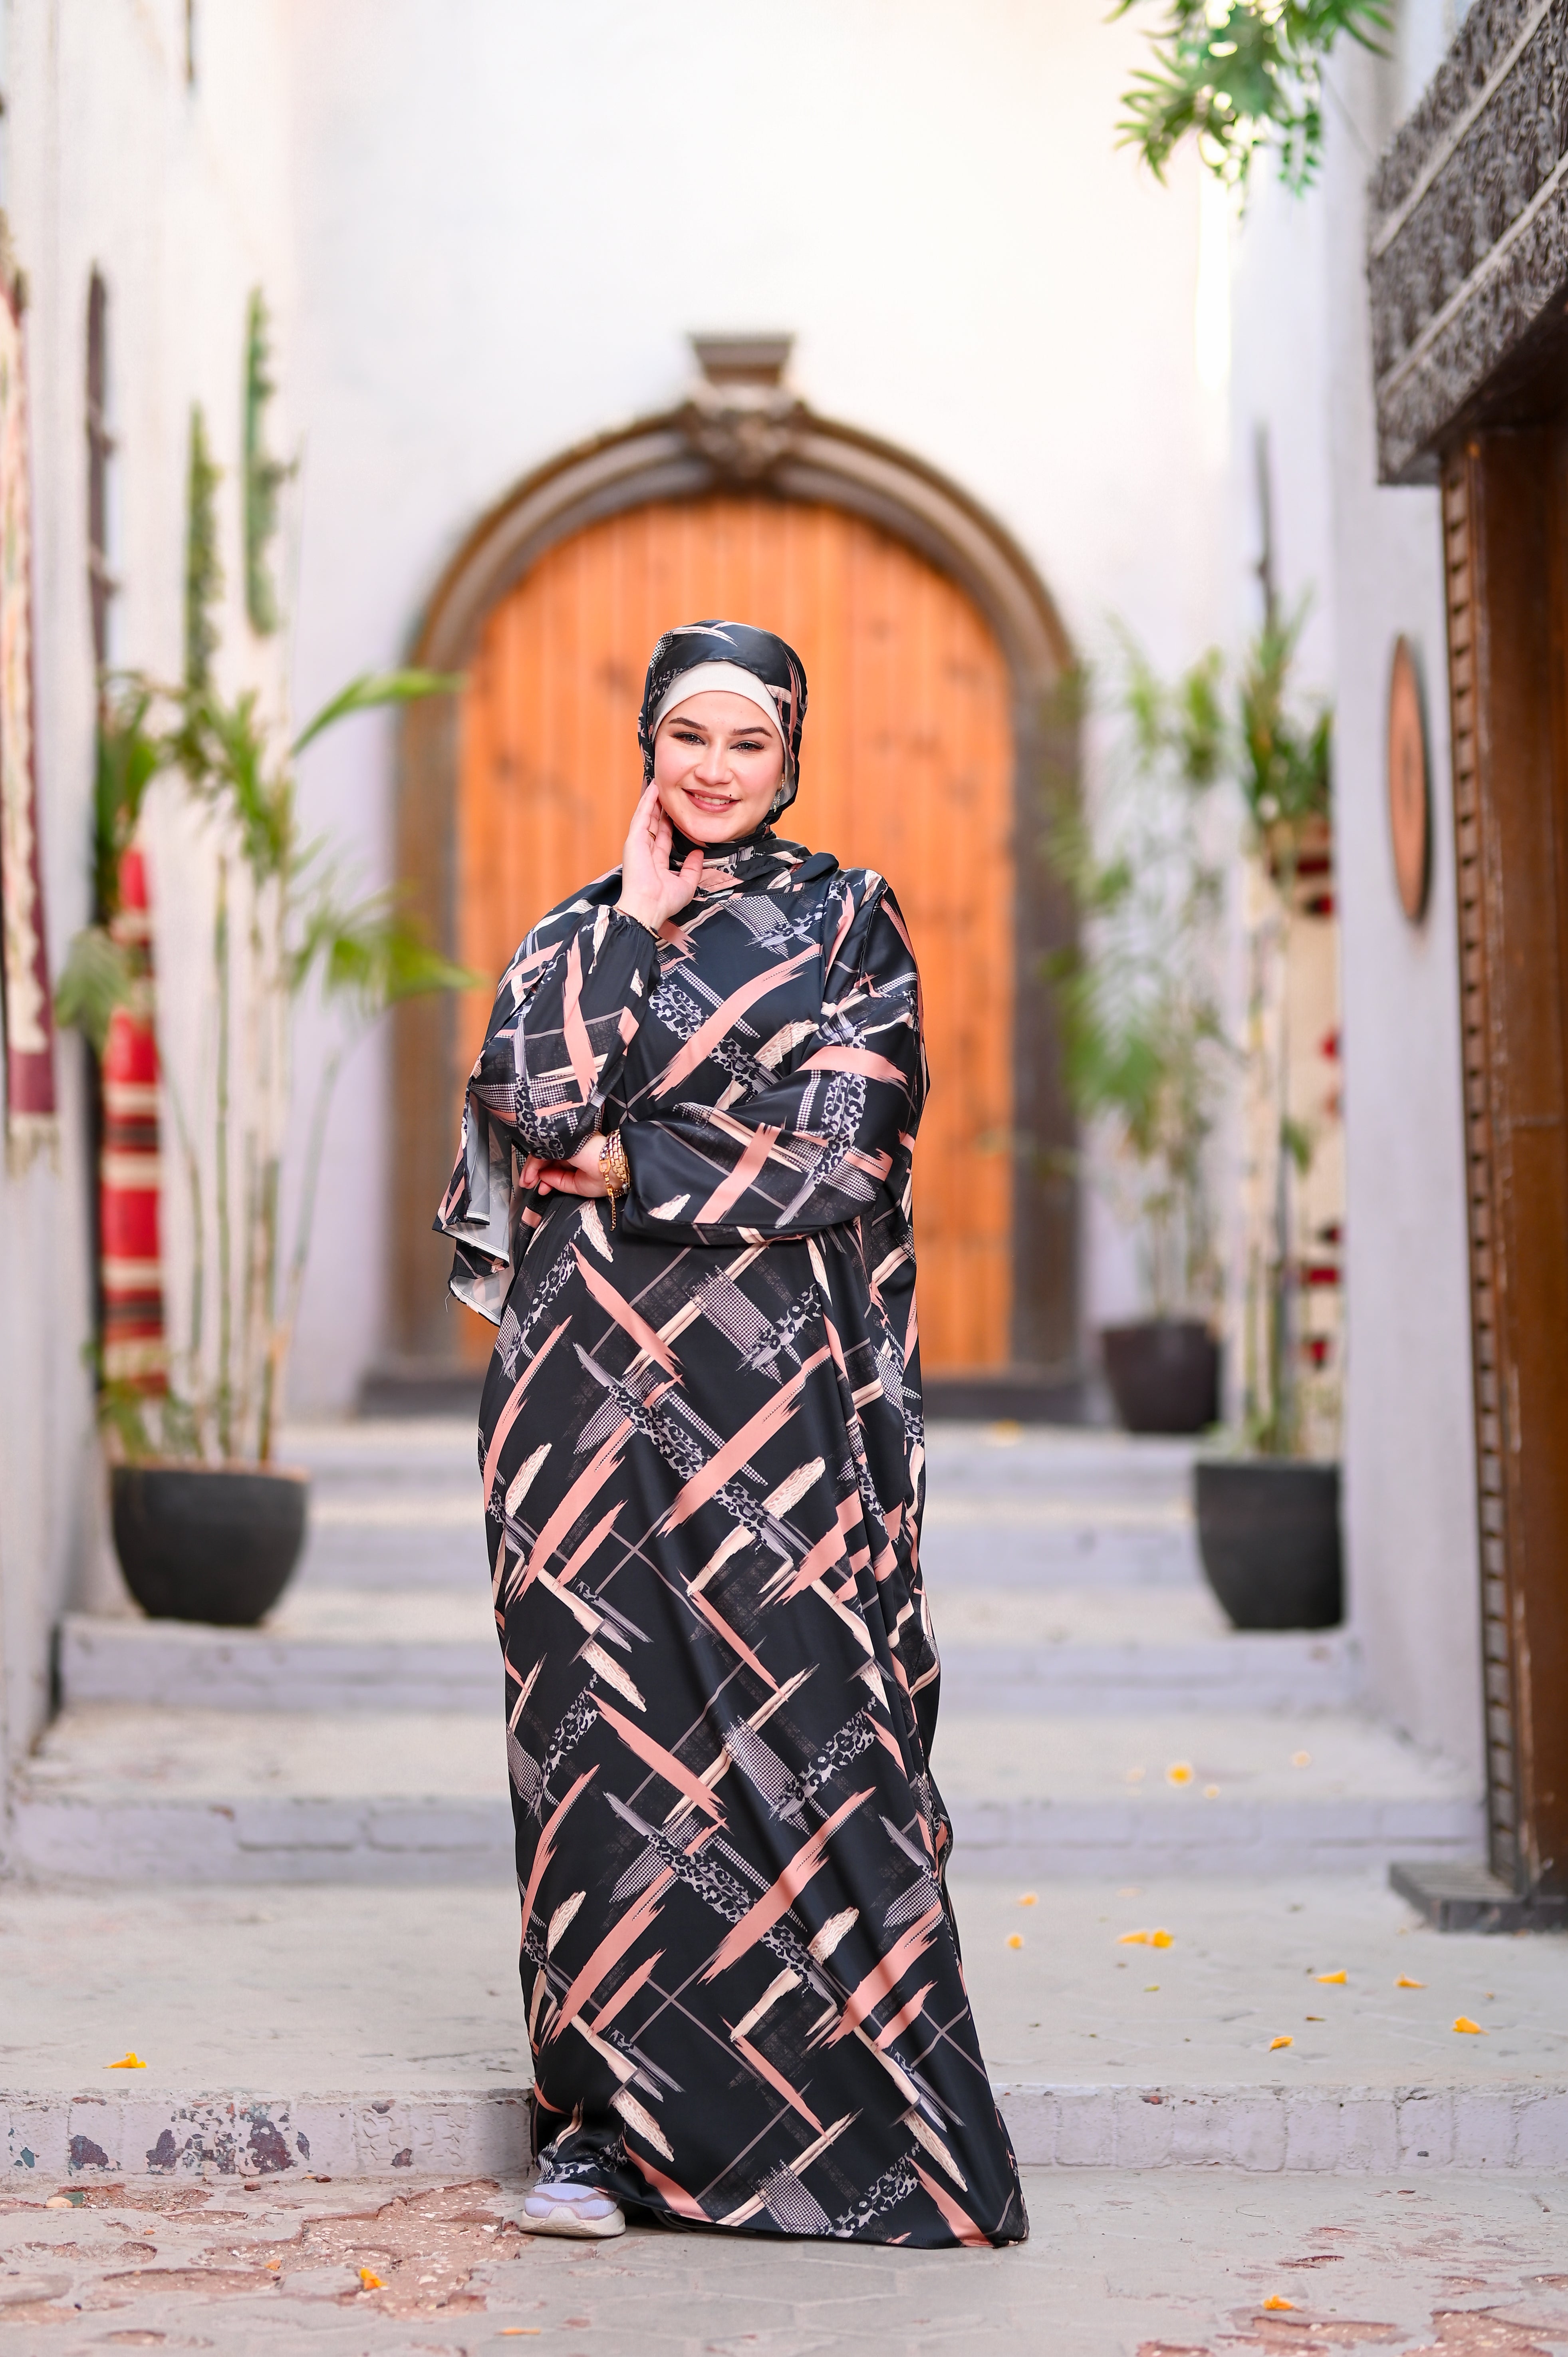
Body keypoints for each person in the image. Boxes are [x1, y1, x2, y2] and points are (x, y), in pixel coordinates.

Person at [435, 619, 1027, 2248]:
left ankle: (868, 2146)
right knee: (597, 1770)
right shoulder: (572, 935)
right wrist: (631, 932)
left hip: (775, 1419)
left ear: (789, 757)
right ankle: (599, 2140)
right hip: (576, 1424)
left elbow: (848, 1149)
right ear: (648, 744)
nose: (712, 768)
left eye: (745, 741)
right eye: (687, 736)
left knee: (809, 1739)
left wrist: (641, 1165)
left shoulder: (849, 922)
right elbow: (530, 1108)